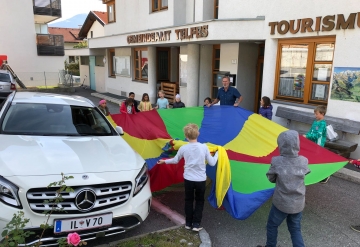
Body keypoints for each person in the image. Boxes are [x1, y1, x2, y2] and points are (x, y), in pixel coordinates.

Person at [157, 123, 218, 232]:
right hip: (200, 180)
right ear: (198, 133)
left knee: (188, 200)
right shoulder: (204, 147)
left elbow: (175, 160)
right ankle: (196, 224)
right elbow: (212, 163)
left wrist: (164, 162)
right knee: (199, 201)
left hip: (188, 179)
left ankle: (188, 223)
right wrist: (218, 154)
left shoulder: (183, 148)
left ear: (186, 136)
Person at [257, 130, 310, 247]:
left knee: (272, 225)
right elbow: (305, 173)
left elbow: (271, 178)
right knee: (295, 229)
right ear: (297, 144)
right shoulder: (304, 161)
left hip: (281, 204)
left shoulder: (276, 161)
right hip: (298, 204)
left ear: (281, 145)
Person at [303, 105, 328, 183]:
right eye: (315, 114)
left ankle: (325, 176)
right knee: (312, 158)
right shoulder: (315, 122)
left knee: (318, 160)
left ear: (322, 114)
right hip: (312, 144)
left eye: (317, 114)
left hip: (318, 145)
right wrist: (307, 136)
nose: (315, 115)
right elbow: (310, 131)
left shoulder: (323, 124)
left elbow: (318, 135)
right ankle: (312, 174)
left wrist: (307, 136)